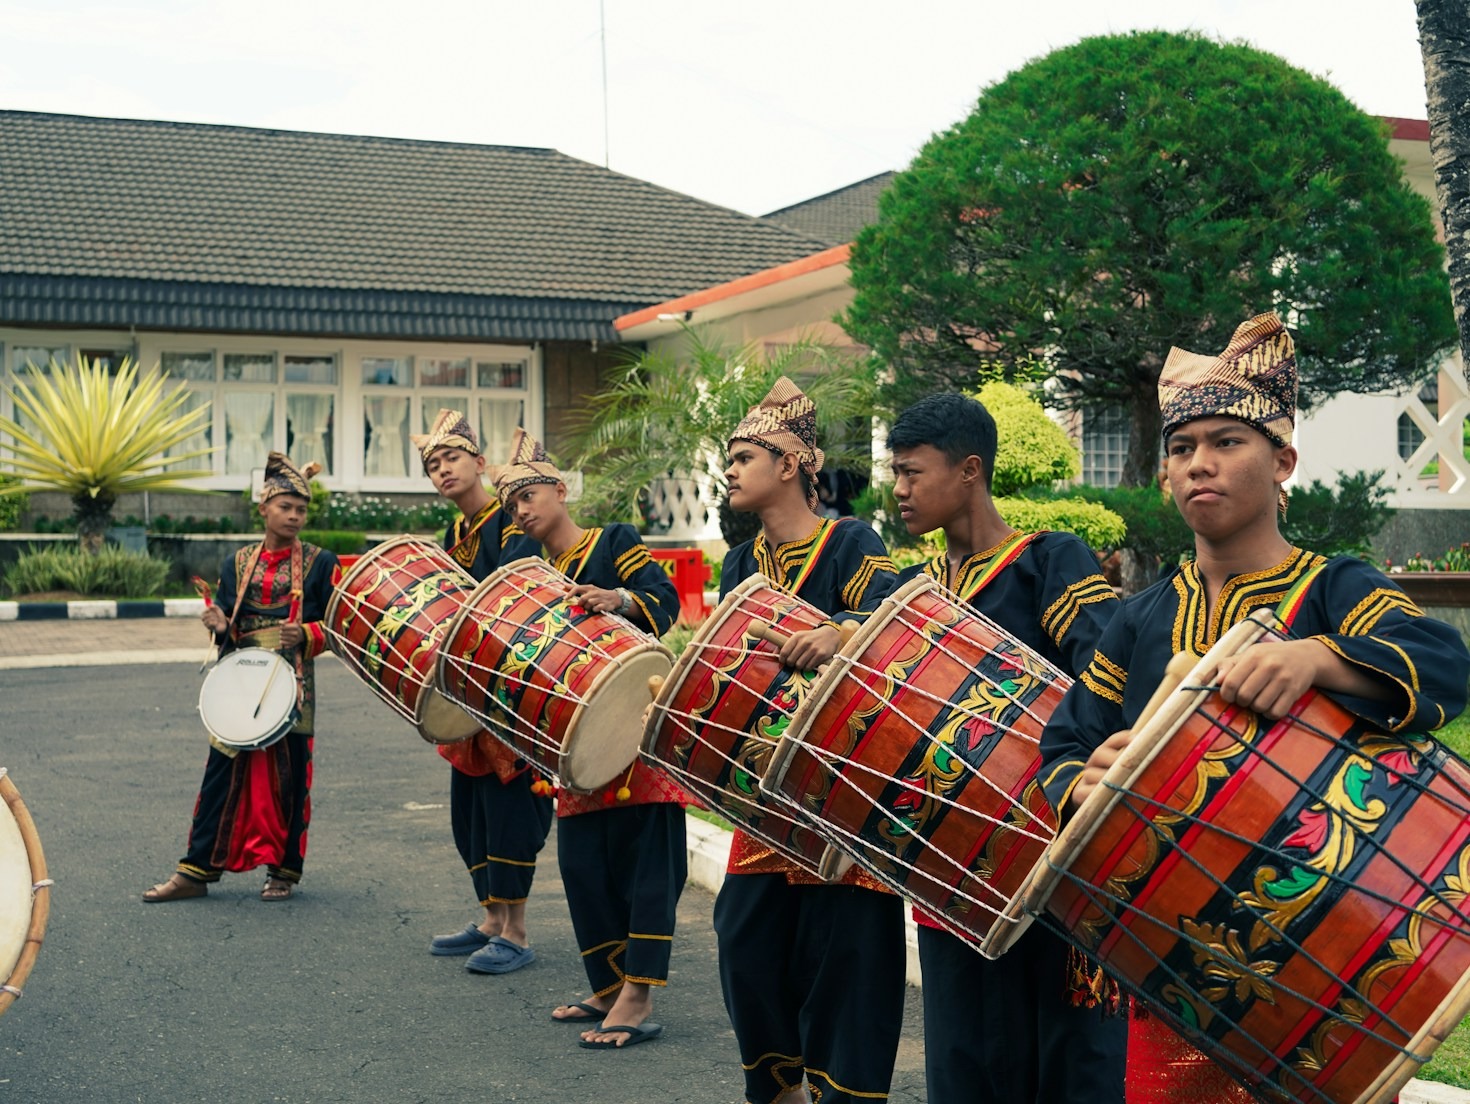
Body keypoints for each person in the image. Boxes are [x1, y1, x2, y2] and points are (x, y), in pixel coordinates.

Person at [1038, 312, 1470, 1101]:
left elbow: (1445, 665)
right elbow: (1064, 745)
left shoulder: (1335, 587)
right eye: (1181, 448)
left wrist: (1318, 658)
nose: (1200, 464)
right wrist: (1083, 782)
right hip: (1169, 963)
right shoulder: (1137, 619)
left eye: (1226, 442)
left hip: (1330, 961)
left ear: (1283, 462)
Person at [886, 391, 1128, 1104]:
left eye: (912, 472)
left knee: (1062, 1058)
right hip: (950, 867)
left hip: (1051, 863)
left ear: (969, 471)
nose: (898, 490)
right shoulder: (913, 592)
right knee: (964, 1061)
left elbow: (1109, 681)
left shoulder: (1047, 562)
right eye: (894, 474)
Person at [712, 377, 903, 1104]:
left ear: (790, 465)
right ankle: (779, 1089)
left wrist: (840, 632)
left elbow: (897, 628)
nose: (729, 470)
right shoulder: (739, 564)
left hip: (843, 788)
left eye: (744, 456)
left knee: (847, 956)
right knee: (744, 941)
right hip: (763, 792)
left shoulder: (851, 541)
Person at [493, 427, 687, 1050]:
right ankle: (605, 988)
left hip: (633, 729)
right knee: (584, 867)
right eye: (511, 506)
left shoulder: (613, 541)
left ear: (558, 488)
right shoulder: (528, 576)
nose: (521, 511)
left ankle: (638, 994)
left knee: (644, 866)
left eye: (527, 496)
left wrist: (620, 599)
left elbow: (668, 598)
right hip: (572, 744)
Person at [143, 452, 339, 903]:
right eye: (285, 507)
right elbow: (231, 629)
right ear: (263, 510)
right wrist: (218, 625)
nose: (294, 516)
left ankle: (283, 872)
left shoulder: (321, 563)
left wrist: (307, 633)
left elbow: (341, 628)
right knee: (221, 773)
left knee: (288, 779)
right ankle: (194, 872)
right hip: (240, 680)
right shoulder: (236, 562)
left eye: (301, 509)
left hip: (291, 685)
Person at [411, 409, 550, 975]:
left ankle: (516, 932)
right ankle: (491, 919)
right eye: (432, 465)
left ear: (479, 462)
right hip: (471, 688)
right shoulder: (456, 532)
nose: (443, 470)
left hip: (511, 687)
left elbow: (514, 593)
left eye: (451, 458)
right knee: (470, 813)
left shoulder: (510, 518)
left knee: (509, 811)